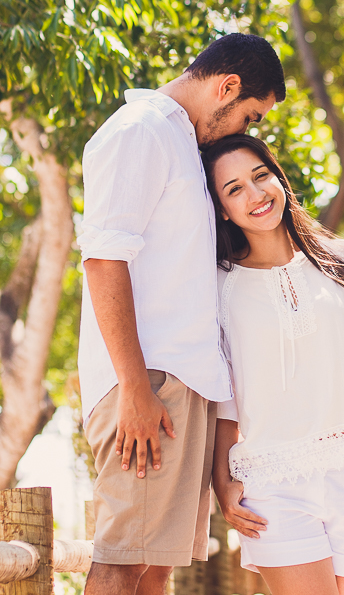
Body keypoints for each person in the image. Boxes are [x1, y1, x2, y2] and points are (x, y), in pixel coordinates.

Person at [78, 35, 286, 595]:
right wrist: (134, 388)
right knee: (124, 560)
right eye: (249, 115)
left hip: (177, 383)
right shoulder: (140, 131)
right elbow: (102, 259)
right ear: (227, 86)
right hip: (149, 382)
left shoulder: (178, 144)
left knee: (155, 565)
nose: (246, 130)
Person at [202, 134, 344, 595]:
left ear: (279, 178)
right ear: (222, 209)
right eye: (234, 188)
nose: (256, 194)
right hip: (273, 481)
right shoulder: (218, 286)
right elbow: (225, 394)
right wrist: (221, 482)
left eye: (260, 176)